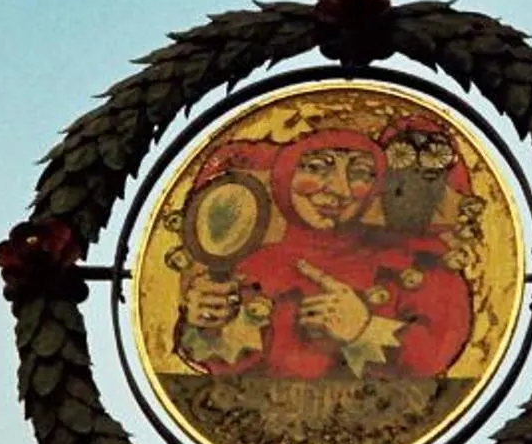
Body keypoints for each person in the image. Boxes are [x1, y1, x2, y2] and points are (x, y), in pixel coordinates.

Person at [178, 128, 472, 380]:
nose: (341, 190)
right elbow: (226, 378)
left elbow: (441, 352)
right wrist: (207, 326)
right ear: (284, 174)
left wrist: (365, 330)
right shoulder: (249, 269)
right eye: (317, 167)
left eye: (359, 172)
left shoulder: (416, 263)